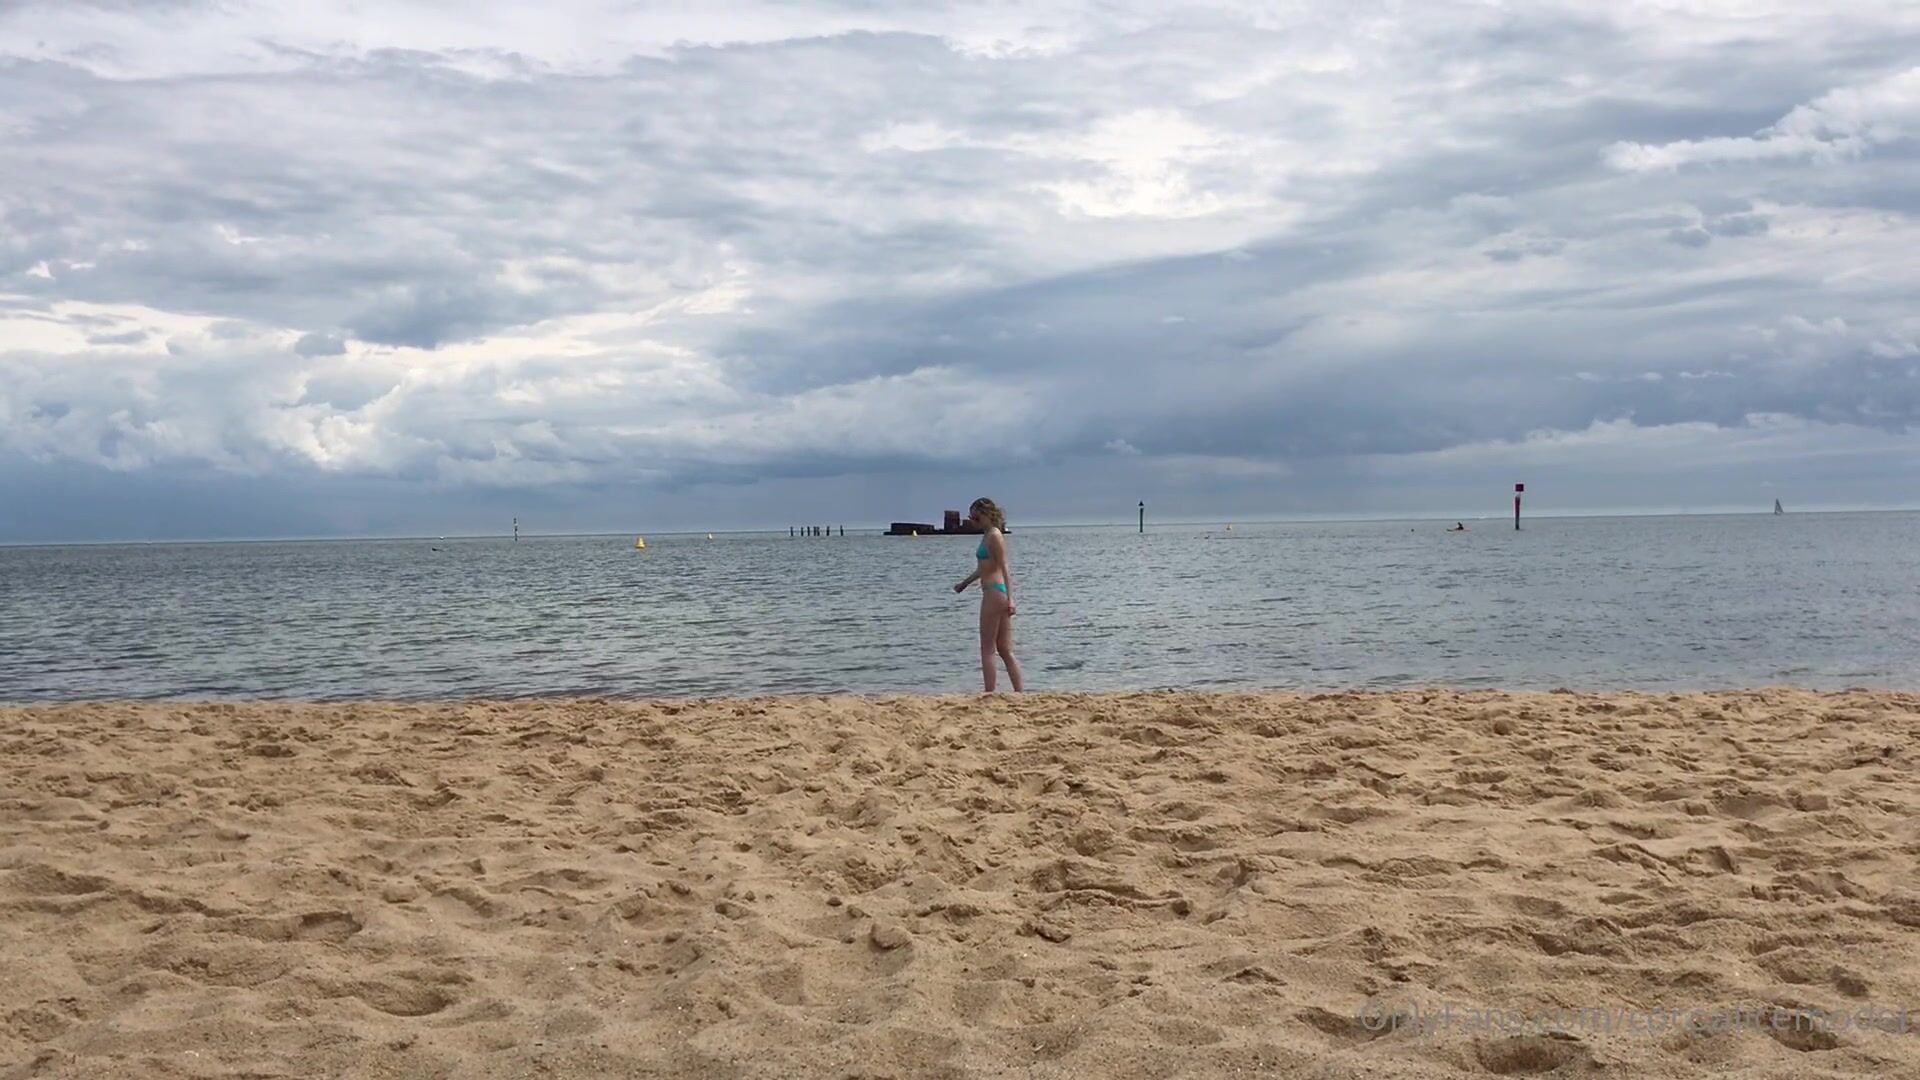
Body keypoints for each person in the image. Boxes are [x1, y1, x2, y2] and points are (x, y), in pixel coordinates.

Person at [953, 497, 1024, 693]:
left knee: (987, 648)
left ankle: (990, 692)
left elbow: (1004, 567)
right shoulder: (987, 535)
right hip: (994, 591)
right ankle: (1020, 693)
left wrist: (1011, 598)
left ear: (988, 515)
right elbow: (983, 569)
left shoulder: (994, 536)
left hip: (994, 592)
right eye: (971, 518)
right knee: (1004, 649)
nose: (974, 522)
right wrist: (964, 584)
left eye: (976, 517)